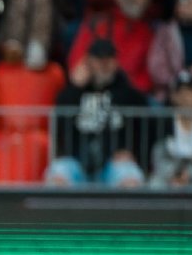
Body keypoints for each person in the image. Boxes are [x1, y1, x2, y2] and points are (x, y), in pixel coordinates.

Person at [48, 38, 152, 186]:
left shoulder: (128, 93)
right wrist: (74, 88)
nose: (104, 64)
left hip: (114, 162)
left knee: (130, 179)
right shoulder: (72, 92)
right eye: (99, 60)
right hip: (76, 160)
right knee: (58, 175)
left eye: (108, 59)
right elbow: (60, 121)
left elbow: (145, 128)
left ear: (116, 62)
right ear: (88, 62)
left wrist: (134, 154)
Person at [68, 0, 156, 95]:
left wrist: (129, 90)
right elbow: (77, 66)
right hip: (95, 90)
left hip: (131, 96)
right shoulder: (98, 23)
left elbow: (150, 76)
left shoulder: (149, 32)